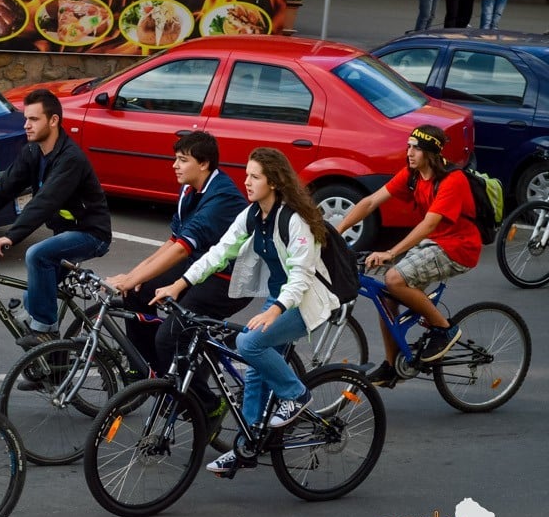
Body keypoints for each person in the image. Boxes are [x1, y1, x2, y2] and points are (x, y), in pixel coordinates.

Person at [152, 147, 340, 475]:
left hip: (304, 301)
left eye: (254, 176)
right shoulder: (253, 214)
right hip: (279, 298)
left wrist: (275, 311)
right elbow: (218, 253)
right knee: (255, 370)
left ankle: (296, 394)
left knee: (249, 345)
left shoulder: (293, 221)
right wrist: (179, 284)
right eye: (247, 175)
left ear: (274, 182)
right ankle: (246, 445)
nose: (246, 182)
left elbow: (301, 276)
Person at [0, 88, 111, 348]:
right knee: (31, 301)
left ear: (53, 120)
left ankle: (46, 334)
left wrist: (10, 237)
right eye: (26, 118)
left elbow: (44, 203)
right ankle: (49, 368)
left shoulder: (70, 159)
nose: (26, 125)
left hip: (91, 234)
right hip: (65, 234)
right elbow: (4, 188)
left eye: (33, 119)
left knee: (37, 255)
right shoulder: (34, 151)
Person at [335, 125, 480, 387]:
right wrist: (338, 230)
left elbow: (429, 224)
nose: (409, 152)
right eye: (409, 146)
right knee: (387, 300)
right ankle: (392, 366)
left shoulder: (452, 180)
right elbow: (370, 202)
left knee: (394, 278)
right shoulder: (412, 175)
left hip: (458, 248)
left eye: (416, 148)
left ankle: (445, 329)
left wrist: (391, 252)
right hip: (433, 244)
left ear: (430, 152)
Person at [105, 131, 250, 389]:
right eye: (176, 159)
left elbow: (182, 249)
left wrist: (134, 278)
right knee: (137, 294)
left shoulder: (222, 197)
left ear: (203, 163)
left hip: (228, 281)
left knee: (169, 338)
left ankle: (204, 403)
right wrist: (133, 277)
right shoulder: (189, 190)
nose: (174, 165)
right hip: (200, 267)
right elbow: (173, 241)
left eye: (182, 160)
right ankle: (149, 372)